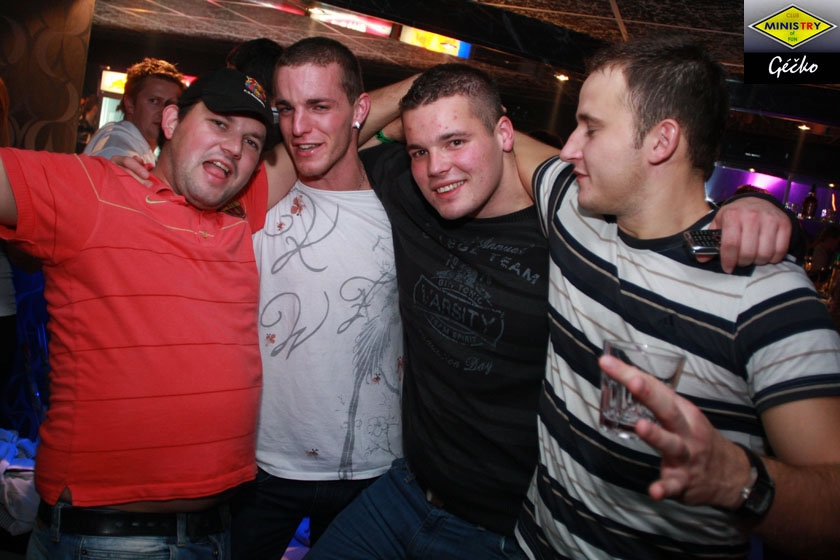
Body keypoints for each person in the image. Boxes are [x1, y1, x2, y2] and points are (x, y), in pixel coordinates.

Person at [303, 62, 799, 559]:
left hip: (505, 532)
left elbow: (670, 239)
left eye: (455, 142)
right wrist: (427, 80)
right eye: (420, 150)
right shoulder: (411, 190)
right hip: (404, 492)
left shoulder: (574, 228)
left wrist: (753, 210)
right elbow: (328, 144)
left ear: (504, 134)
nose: (436, 167)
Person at [514, 35, 840, 559]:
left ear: (661, 140)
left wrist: (737, 480)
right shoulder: (574, 213)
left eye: (591, 128)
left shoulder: (765, 295)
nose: (569, 148)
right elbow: (505, 141)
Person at [0, 67, 275, 559]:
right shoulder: (94, 186)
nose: (236, 147)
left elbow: (336, 126)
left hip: (216, 533)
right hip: (109, 539)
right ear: (170, 122)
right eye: (219, 123)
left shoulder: (240, 213)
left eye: (252, 141)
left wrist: (420, 91)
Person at [230, 37, 403, 558]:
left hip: (372, 468)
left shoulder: (404, 208)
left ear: (360, 109)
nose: (299, 126)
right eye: (286, 108)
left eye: (320, 106)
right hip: (261, 464)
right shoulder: (258, 196)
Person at [83, 57, 186, 164]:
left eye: (171, 105)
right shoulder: (117, 149)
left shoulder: (138, 147)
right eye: (154, 101)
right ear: (130, 104)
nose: (164, 112)